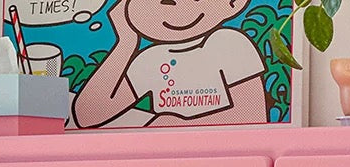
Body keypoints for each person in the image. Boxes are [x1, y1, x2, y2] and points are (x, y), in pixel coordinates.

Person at [73, 0, 268, 128]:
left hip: (224, 156)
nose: (175, 7)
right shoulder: (148, 60)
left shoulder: (229, 43)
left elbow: (255, 116)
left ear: (233, 3)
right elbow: (87, 116)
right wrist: (125, 43)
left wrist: (179, 125)